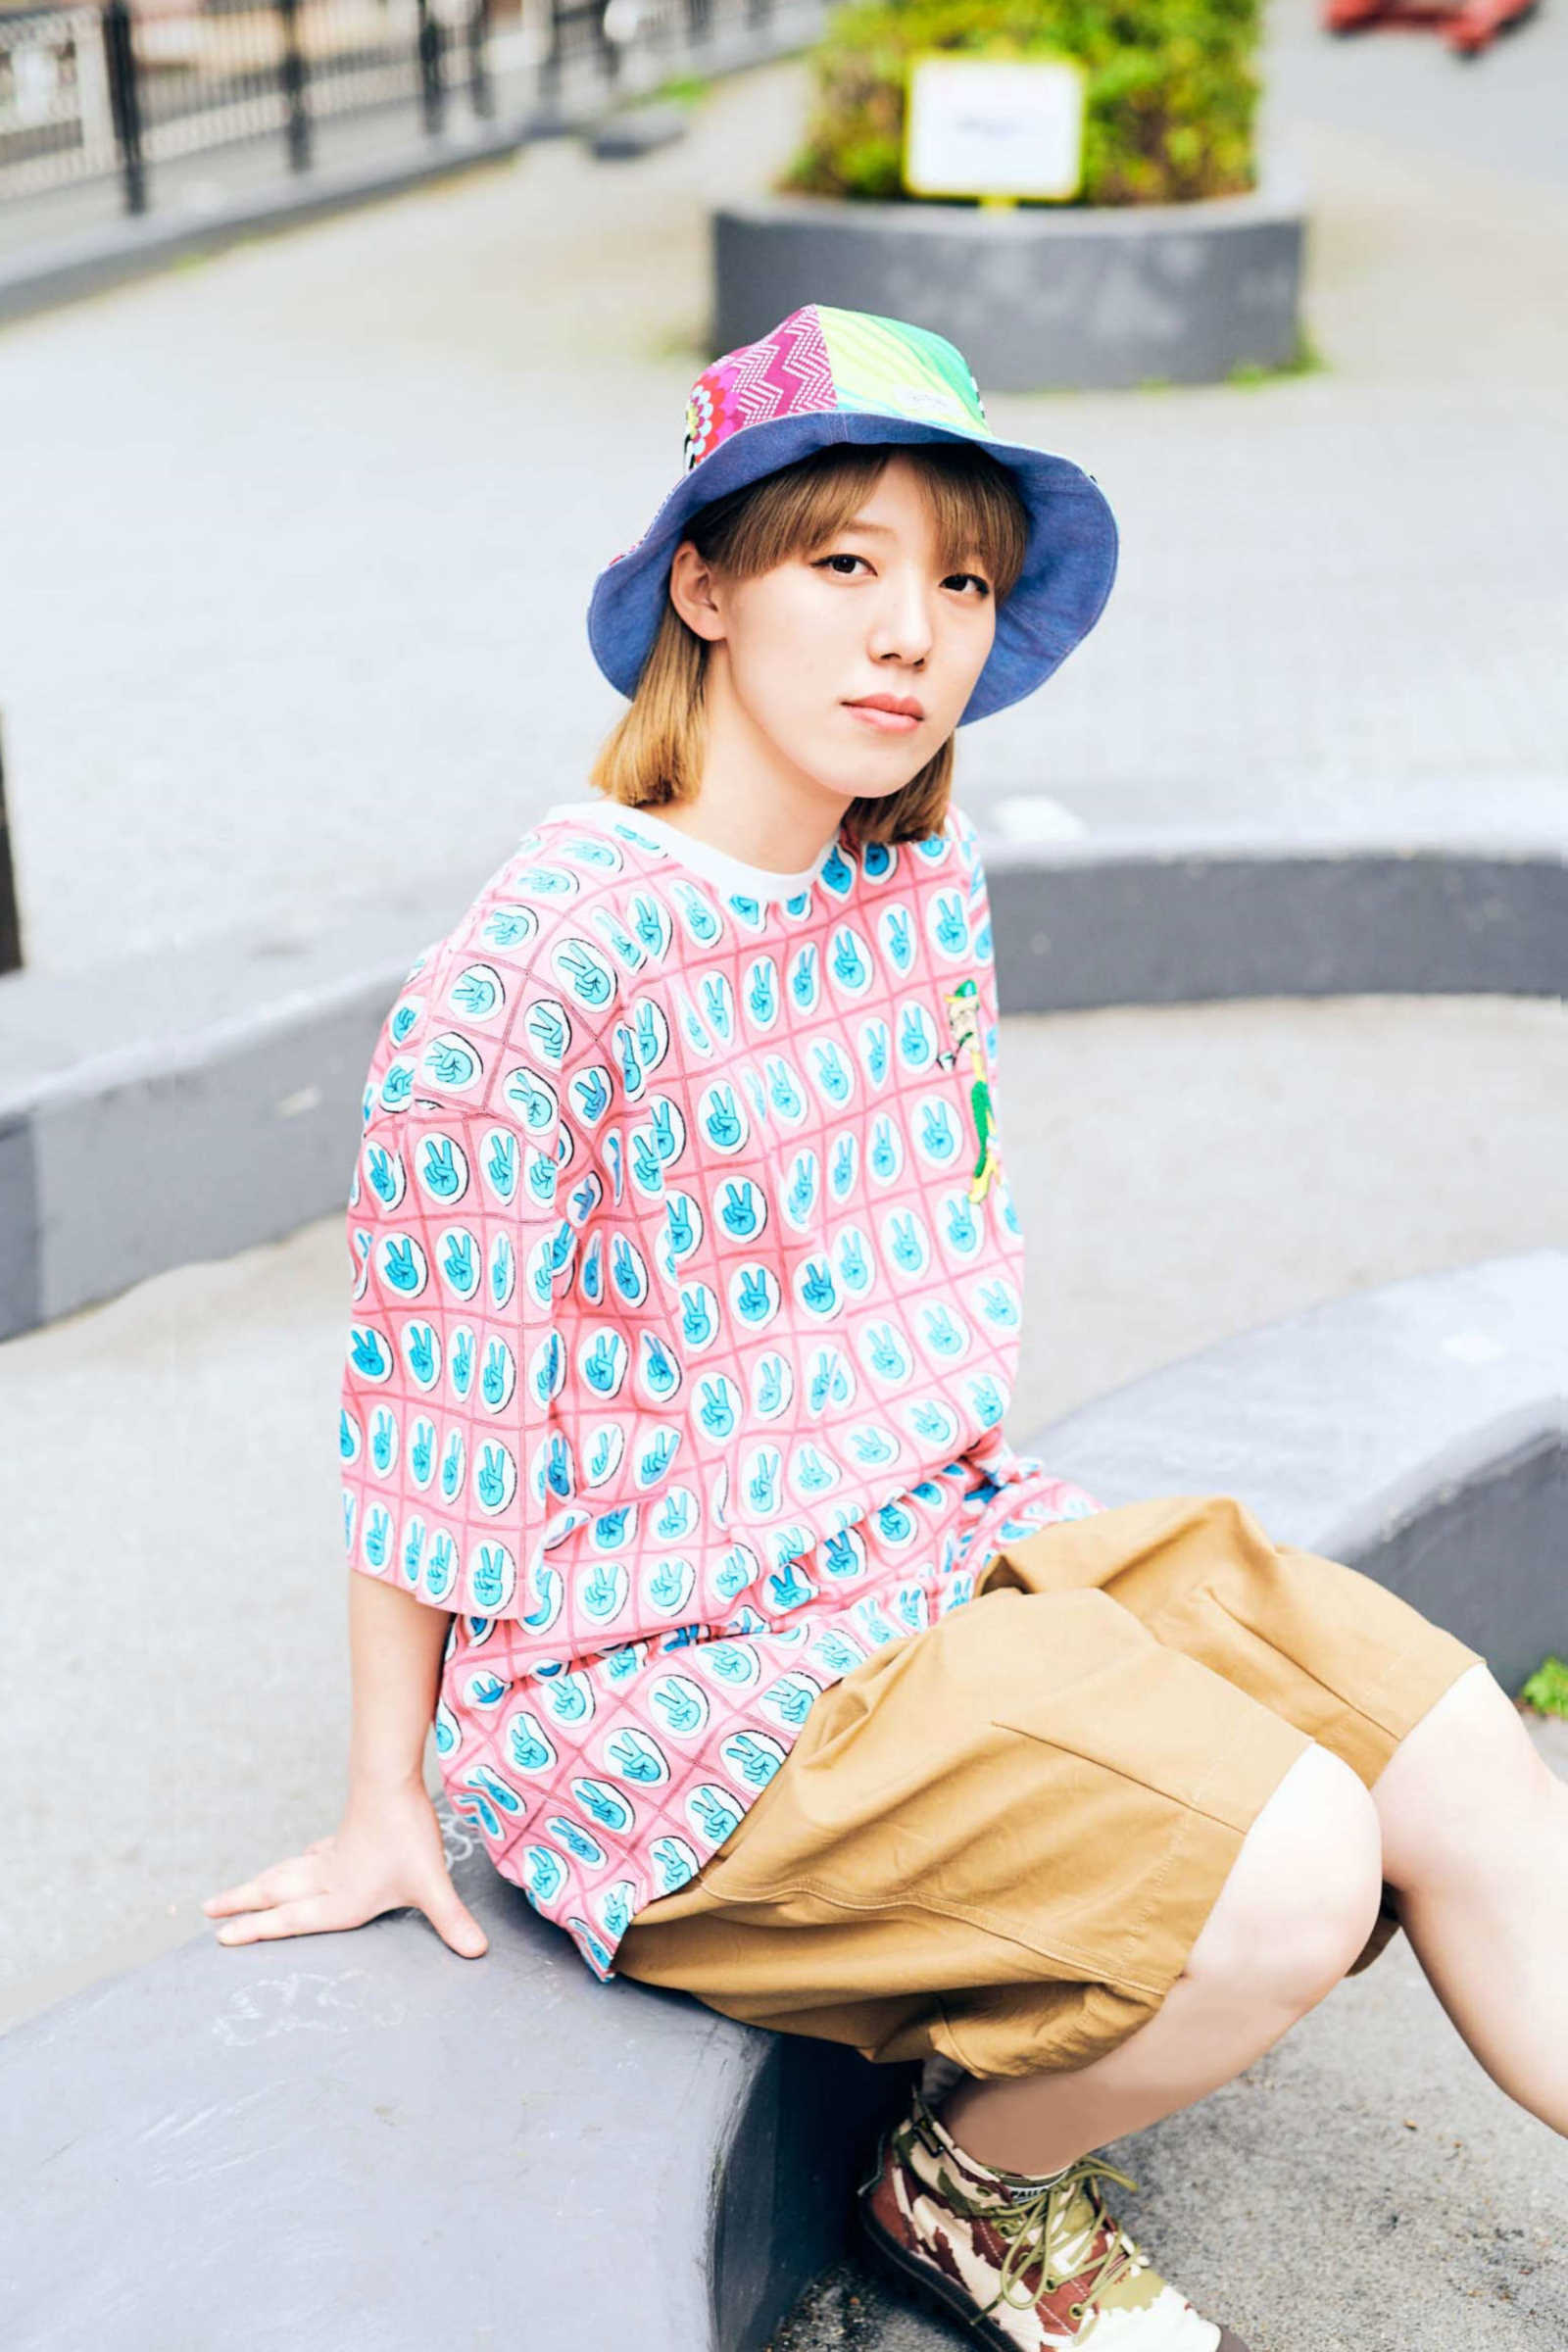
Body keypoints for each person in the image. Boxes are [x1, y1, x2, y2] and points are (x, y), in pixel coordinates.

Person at [202, 304, 1567, 2350]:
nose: (910, 634)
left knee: (1442, 1738)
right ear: (705, 584)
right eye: (843, 562)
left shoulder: (910, 886)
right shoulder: (537, 973)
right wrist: (385, 1796)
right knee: (1289, 1865)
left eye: (962, 584)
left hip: (936, 1541)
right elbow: (429, 1408)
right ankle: (967, 2189)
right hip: (664, 1681)